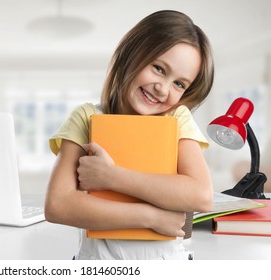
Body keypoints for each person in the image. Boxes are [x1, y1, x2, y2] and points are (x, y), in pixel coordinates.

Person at [45, 10, 214, 260]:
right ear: (131, 54)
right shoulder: (87, 117)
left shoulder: (177, 119)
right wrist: (151, 217)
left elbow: (200, 196)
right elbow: (57, 205)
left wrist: (113, 176)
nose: (162, 88)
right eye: (158, 68)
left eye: (179, 84)